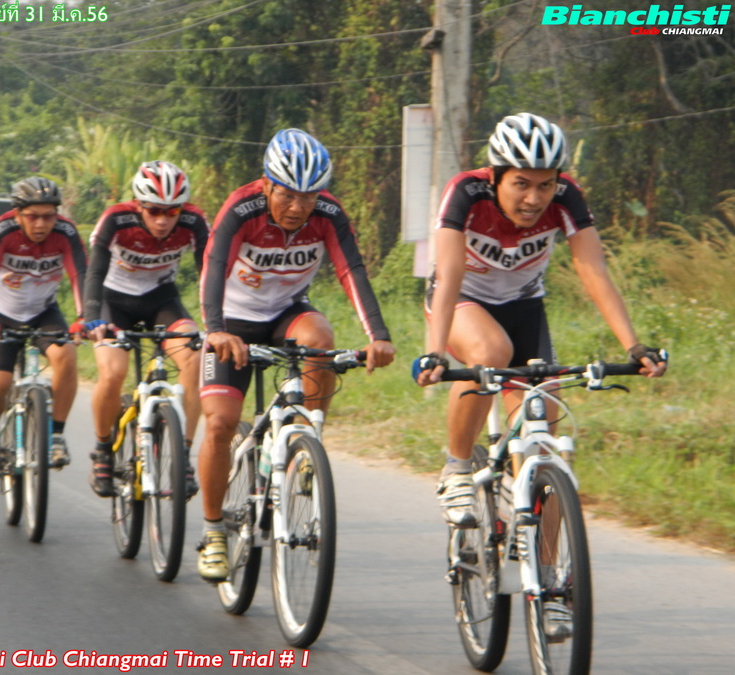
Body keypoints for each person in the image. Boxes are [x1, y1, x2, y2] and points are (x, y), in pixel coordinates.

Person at [415, 112, 668, 529]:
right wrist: (436, 352)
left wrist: (633, 345)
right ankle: (457, 468)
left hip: (524, 306)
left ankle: (542, 558)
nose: (534, 199)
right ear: (495, 177)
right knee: (490, 352)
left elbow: (593, 270)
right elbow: (450, 273)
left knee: (543, 439)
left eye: (545, 184)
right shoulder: (465, 192)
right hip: (462, 300)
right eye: (521, 184)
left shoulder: (567, 197)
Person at [196, 128, 396, 581]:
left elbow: (351, 270)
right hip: (232, 322)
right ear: (266, 185)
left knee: (320, 337)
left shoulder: (328, 213)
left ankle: (308, 442)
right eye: (287, 195)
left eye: (309, 196)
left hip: (287, 312)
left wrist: (378, 336)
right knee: (220, 424)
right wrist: (216, 330)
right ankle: (213, 532)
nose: (298, 207)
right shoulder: (241, 209)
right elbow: (214, 267)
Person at [83, 161, 209, 498]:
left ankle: (182, 455)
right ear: (139, 205)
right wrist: (92, 316)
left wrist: (216, 323)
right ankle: (102, 450)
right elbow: (94, 272)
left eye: (172, 211)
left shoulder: (194, 222)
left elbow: (208, 274)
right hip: (113, 304)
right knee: (113, 373)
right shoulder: (116, 219)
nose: (163, 220)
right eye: (154, 210)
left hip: (161, 301)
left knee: (194, 359)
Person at [0, 177, 87, 483]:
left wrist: (85, 317)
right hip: (1, 314)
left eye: (49, 216)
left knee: (66, 357)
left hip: (43, 312)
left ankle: (56, 435)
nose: (41, 224)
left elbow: (80, 275)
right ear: (17, 213)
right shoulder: (1, 231)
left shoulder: (65, 232)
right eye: (33, 216)